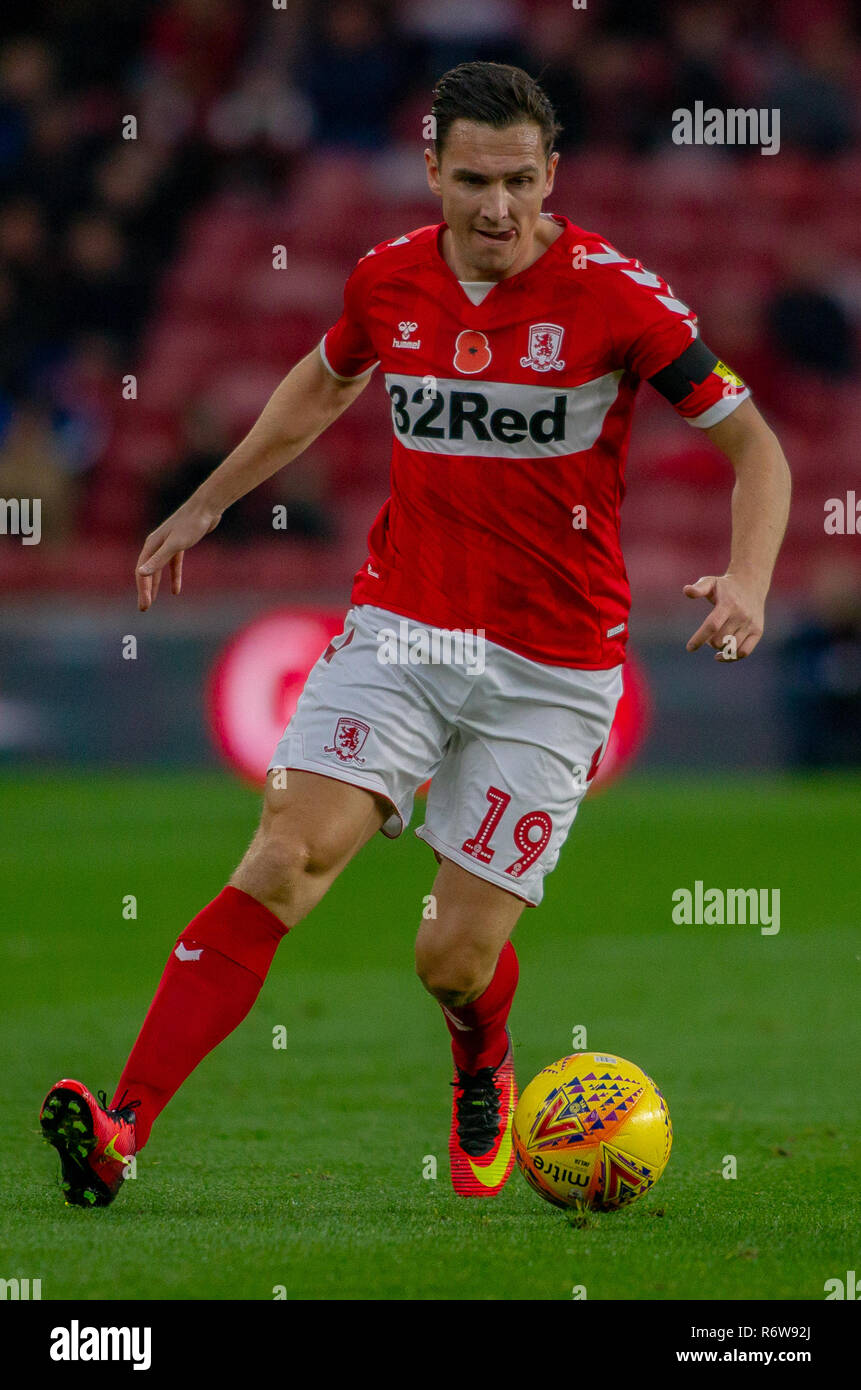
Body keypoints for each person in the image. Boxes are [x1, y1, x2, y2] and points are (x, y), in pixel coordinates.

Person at [40, 61, 791, 1207]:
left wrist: (746, 580)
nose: (500, 208)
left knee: (451, 956)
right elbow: (323, 383)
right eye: (476, 179)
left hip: (552, 668)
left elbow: (759, 450)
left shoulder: (618, 296)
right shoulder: (388, 279)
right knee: (285, 858)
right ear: (433, 168)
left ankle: (480, 1058)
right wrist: (207, 499)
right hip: (403, 628)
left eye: (523, 182)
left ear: (554, 176)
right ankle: (122, 1126)